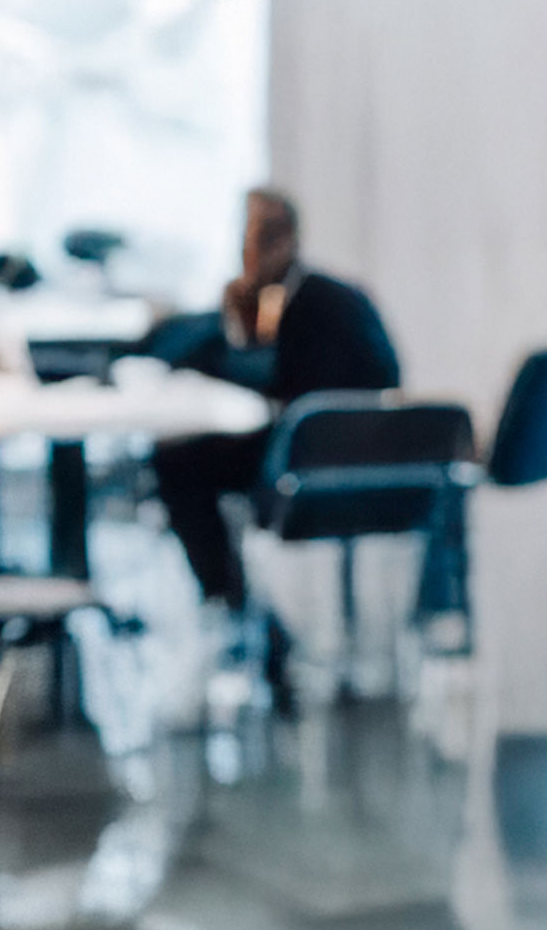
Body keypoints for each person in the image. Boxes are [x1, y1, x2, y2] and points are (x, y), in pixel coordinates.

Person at [140, 185, 403, 613]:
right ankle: (235, 605)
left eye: (250, 239)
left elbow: (266, 380)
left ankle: (225, 603)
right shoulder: (328, 297)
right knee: (186, 459)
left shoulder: (305, 306)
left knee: (176, 462)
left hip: (312, 464)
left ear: (280, 241)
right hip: (364, 463)